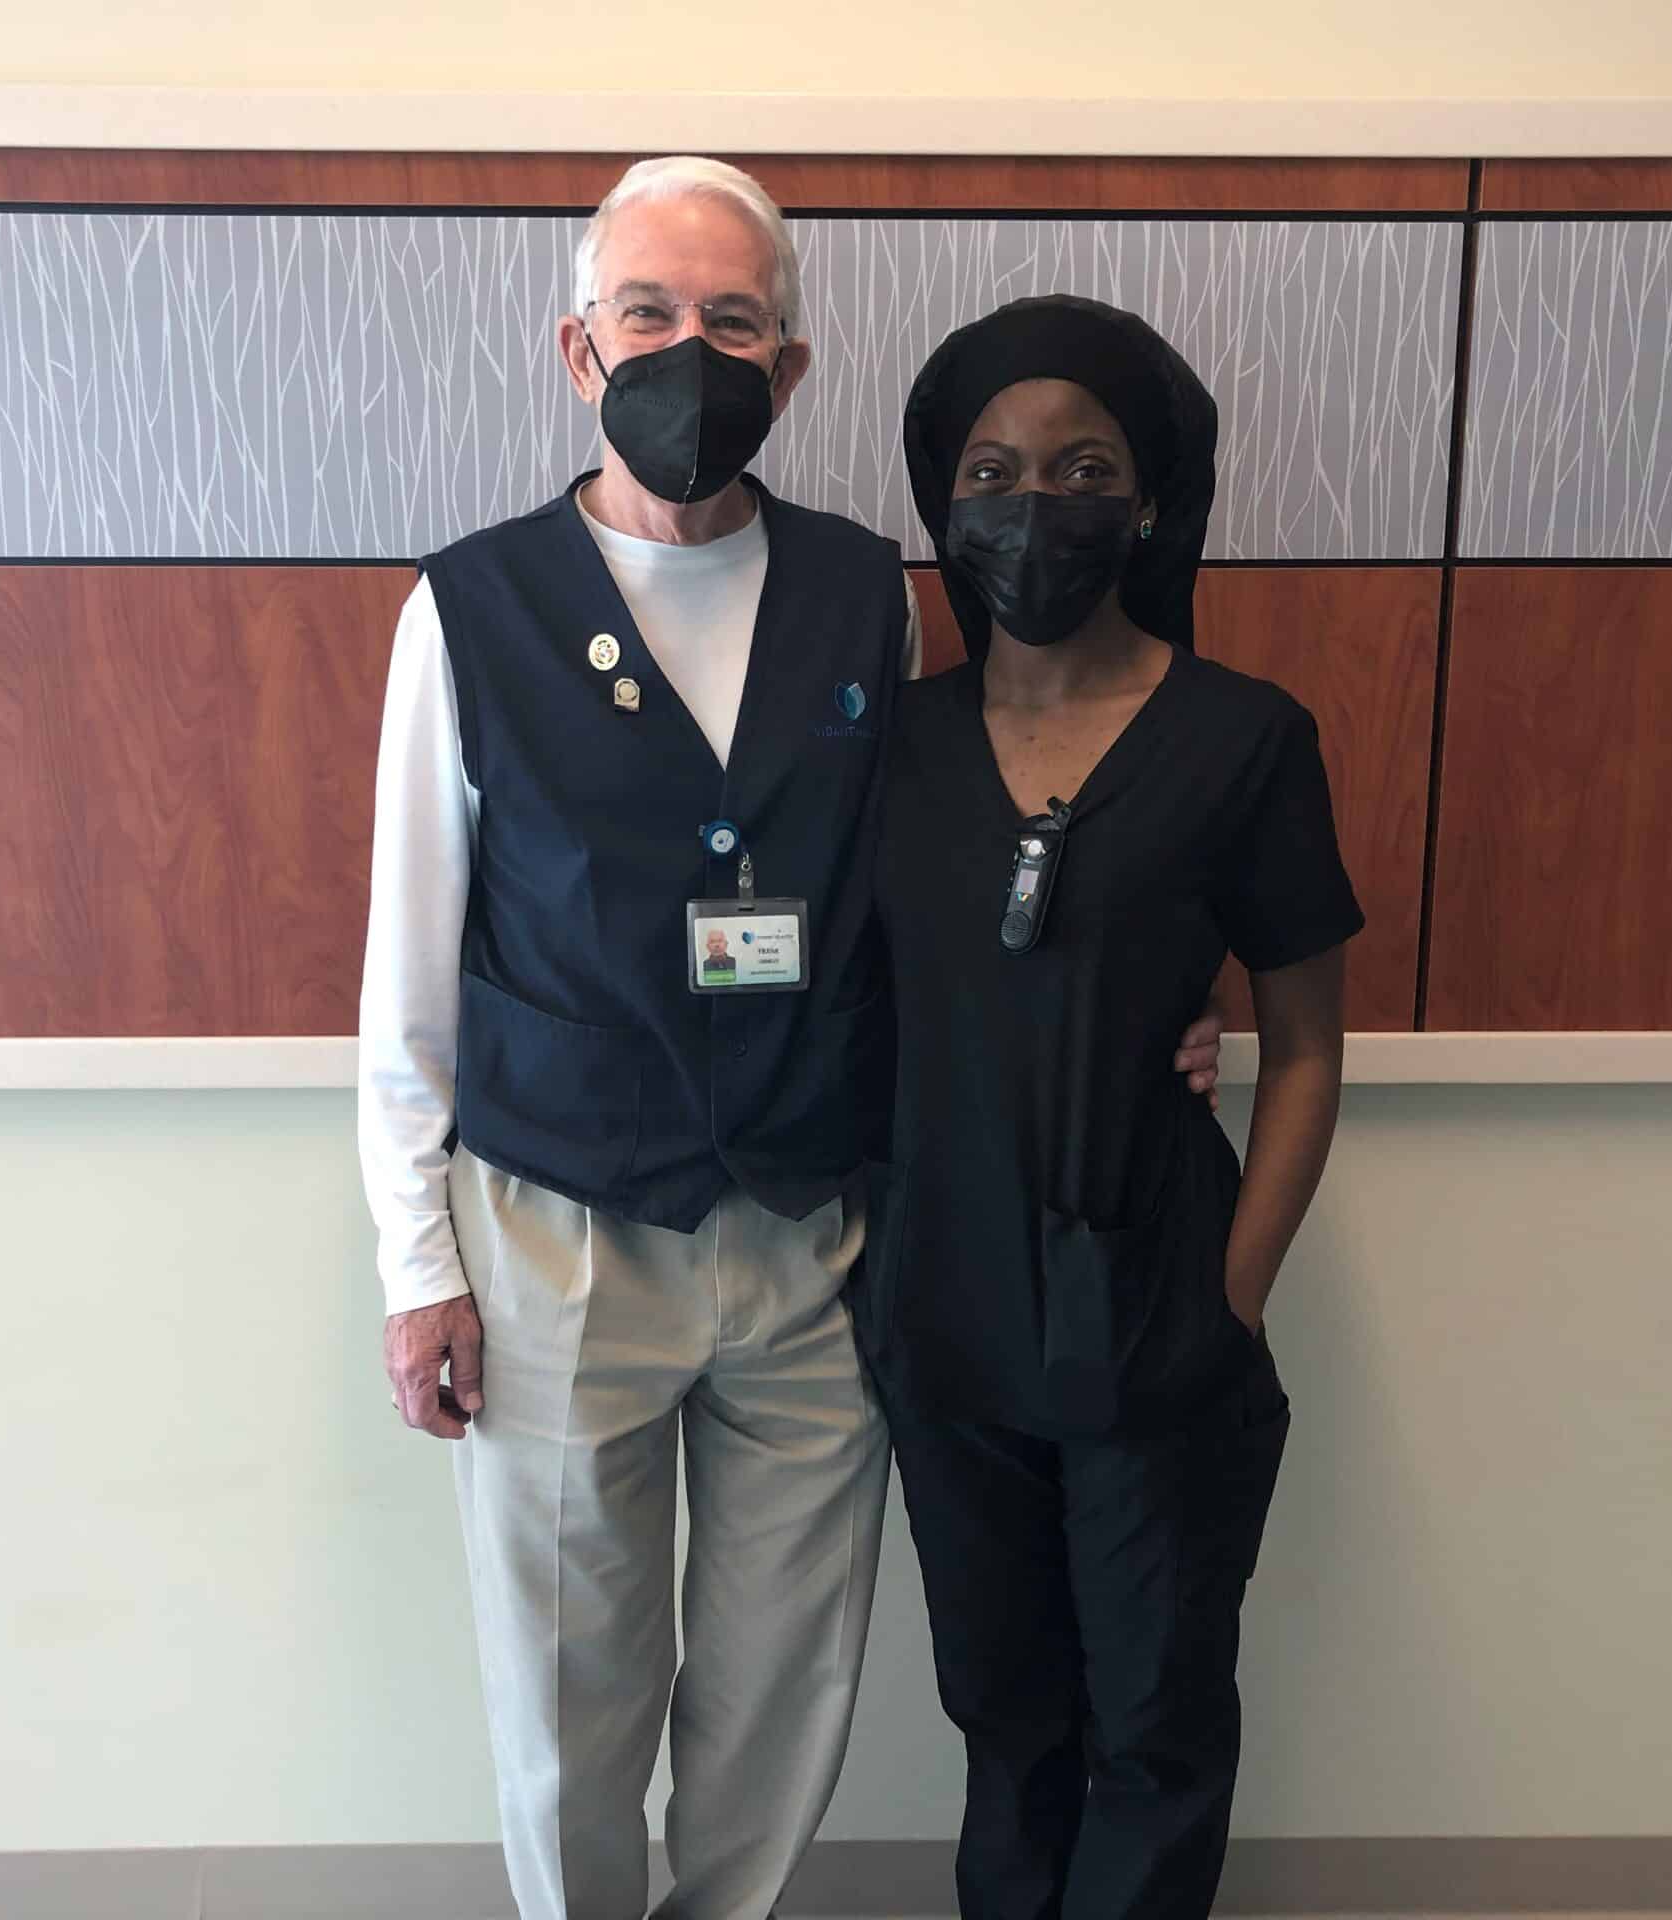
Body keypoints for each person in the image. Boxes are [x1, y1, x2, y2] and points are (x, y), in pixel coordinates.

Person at [357, 160, 1229, 1920]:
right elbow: (408, 960)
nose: (694, 349)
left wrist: (1145, 1008)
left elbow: (961, 860)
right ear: (577, 347)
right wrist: (414, 1258)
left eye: (732, 320)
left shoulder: (866, 591)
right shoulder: (469, 606)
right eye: (652, 314)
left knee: (782, 1684)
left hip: (809, 1235)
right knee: (568, 1692)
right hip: (559, 1230)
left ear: (793, 362)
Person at [857, 295, 1362, 1919]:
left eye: (1083, 469)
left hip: (1157, 1319)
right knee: (1007, 1723)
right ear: (943, 503)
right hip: (948, 1324)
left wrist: (1236, 1288)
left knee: (1154, 1728)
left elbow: (1306, 1048)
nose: (1035, 505)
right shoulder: (891, 750)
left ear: (1149, 500)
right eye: (993, 471)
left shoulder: (1245, 740)